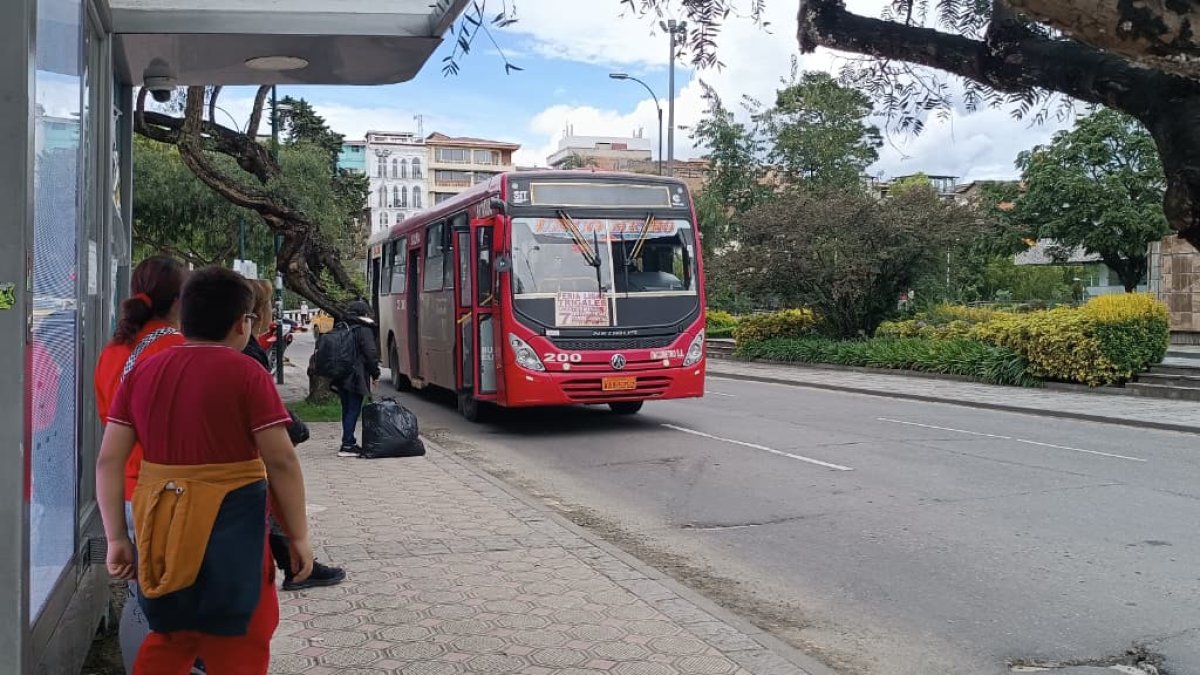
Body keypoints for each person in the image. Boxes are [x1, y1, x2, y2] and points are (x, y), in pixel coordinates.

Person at [97, 266, 313, 674]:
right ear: (241, 323)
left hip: (161, 528)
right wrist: (299, 535)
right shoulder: (246, 373)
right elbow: (281, 460)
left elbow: (108, 460)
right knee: (243, 636)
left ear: (186, 316)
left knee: (169, 636)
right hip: (235, 530)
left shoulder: (142, 370)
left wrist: (116, 538)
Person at [93, 255, 188, 674]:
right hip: (166, 496)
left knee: (138, 598)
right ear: (179, 299)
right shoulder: (177, 350)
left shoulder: (113, 351)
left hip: (126, 494)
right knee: (174, 609)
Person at [243, 280, 346, 591]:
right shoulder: (247, 360)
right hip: (247, 464)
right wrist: (296, 430)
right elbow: (281, 455)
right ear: (248, 317)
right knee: (276, 500)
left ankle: (292, 565)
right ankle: (297, 564)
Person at [331, 300, 381, 457]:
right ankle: (347, 445)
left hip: (340, 374)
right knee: (353, 409)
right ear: (365, 313)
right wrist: (375, 374)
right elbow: (370, 354)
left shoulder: (342, 326)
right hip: (356, 375)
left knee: (347, 409)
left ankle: (348, 440)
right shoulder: (364, 330)